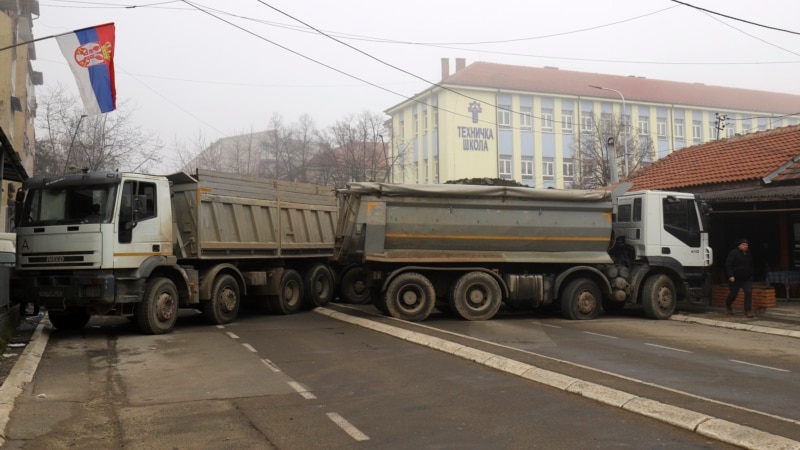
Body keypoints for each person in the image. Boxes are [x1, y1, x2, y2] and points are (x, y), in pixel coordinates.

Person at [725, 238, 755, 318]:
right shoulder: (734, 253)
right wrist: (730, 275)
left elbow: (751, 264)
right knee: (733, 294)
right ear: (739, 246)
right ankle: (728, 304)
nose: (745, 246)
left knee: (748, 292)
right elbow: (728, 265)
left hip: (747, 277)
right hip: (735, 278)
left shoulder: (748, 253)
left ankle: (748, 310)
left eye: (746, 245)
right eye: (743, 245)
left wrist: (751, 274)